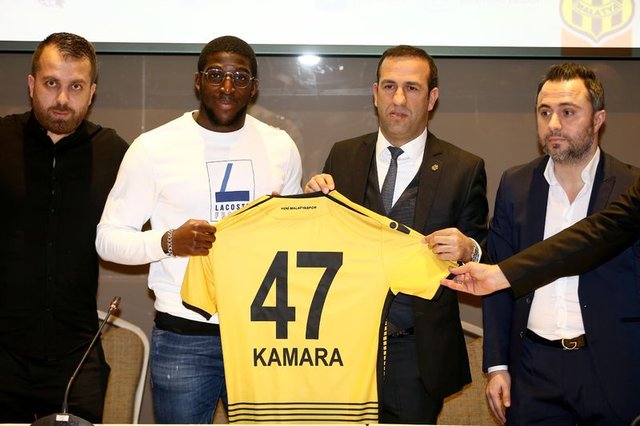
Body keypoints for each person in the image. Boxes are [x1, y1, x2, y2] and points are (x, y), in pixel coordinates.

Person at [96, 35, 302, 423]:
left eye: (240, 77)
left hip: (264, 334)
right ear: (198, 81)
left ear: (254, 88)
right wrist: (168, 241)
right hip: (184, 335)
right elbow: (107, 239)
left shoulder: (280, 147)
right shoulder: (153, 147)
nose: (227, 87)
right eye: (216, 75)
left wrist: (313, 205)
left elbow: (293, 241)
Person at [305, 45, 488, 424]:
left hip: (417, 353)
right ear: (375, 94)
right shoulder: (343, 156)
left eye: (412, 88)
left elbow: (483, 251)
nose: (399, 99)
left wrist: (468, 249)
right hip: (344, 347)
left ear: (432, 98)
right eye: (389, 87)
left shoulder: (464, 168)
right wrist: (309, 206)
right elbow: (319, 245)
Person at [482, 62, 640, 425]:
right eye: (544, 112)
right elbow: (497, 276)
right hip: (533, 368)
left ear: (598, 119)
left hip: (614, 368)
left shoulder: (631, 188)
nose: (553, 123)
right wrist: (497, 366)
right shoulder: (516, 184)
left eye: (568, 112)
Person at [0, 32, 128, 422]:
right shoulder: (1, 140)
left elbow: (169, 213)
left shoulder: (115, 153)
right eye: (51, 83)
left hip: (78, 358)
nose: (61, 98)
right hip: (3, 354)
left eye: (75, 87)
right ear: (31, 84)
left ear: (91, 93)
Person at [440, 173, 640, 297]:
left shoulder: (627, 178)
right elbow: (593, 236)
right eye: (544, 117)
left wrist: (500, 275)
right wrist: (500, 274)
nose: (553, 124)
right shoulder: (515, 182)